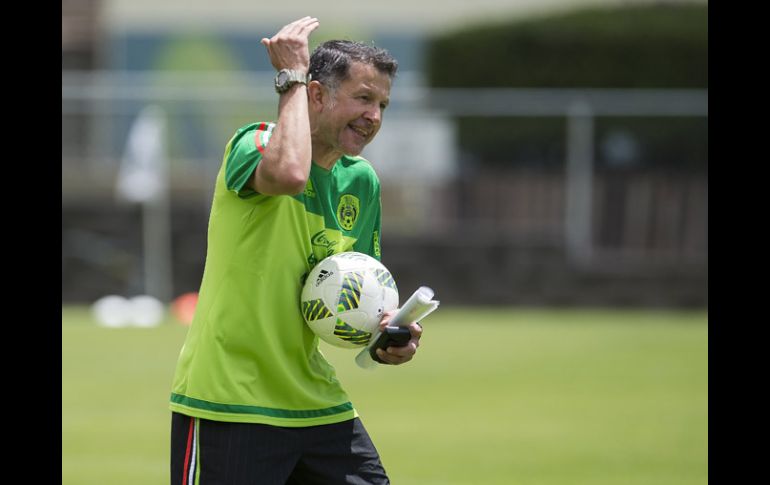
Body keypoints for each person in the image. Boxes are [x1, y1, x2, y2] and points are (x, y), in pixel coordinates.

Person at [169, 16, 422, 485]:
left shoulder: (360, 182)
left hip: (313, 402)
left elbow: (363, 295)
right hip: (229, 400)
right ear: (316, 94)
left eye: (383, 104)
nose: (375, 117)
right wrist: (291, 79)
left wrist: (388, 334)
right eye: (364, 98)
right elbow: (290, 175)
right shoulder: (255, 143)